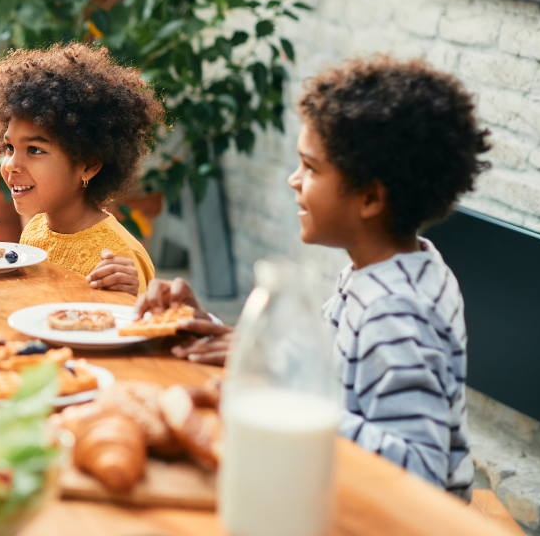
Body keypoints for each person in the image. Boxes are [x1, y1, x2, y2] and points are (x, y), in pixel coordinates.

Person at [138, 56, 488, 498]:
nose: (293, 180)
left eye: (311, 167)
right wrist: (237, 341)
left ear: (369, 198)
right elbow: (334, 370)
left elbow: (421, 471)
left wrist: (279, 399)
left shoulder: (395, 310)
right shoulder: (385, 269)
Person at [0, 43, 163, 295]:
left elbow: (142, 327)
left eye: (34, 150)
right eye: (9, 147)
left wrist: (133, 298)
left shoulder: (118, 257)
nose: (11, 165)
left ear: (89, 165)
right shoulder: (36, 228)